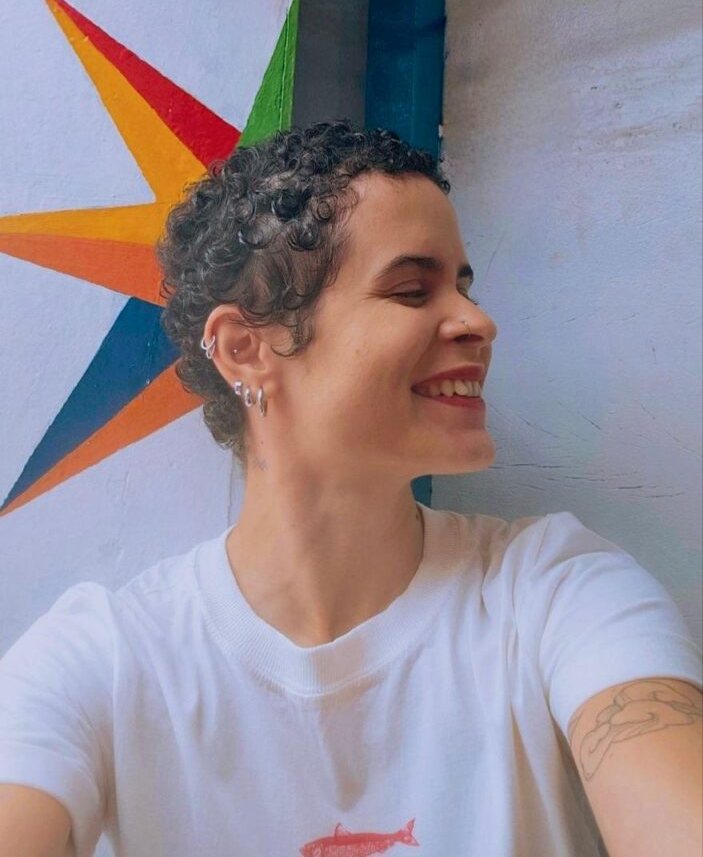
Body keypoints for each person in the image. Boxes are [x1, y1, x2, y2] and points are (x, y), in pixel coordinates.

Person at [0, 120, 701, 856]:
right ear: (246, 349)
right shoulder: (105, 660)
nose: (478, 321)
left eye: (463, 287)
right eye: (410, 291)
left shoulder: (558, 591)